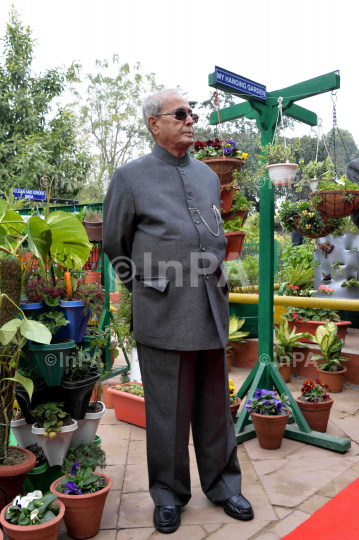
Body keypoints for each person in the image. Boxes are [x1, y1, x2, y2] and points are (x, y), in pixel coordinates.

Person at [103, 88, 254, 534]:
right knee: (166, 411)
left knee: (214, 406)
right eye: (181, 114)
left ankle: (225, 485)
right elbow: (115, 244)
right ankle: (168, 494)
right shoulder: (130, 177)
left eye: (193, 113)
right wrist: (148, 286)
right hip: (163, 311)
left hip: (210, 305)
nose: (192, 120)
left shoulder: (209, 176)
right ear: (155, 123)